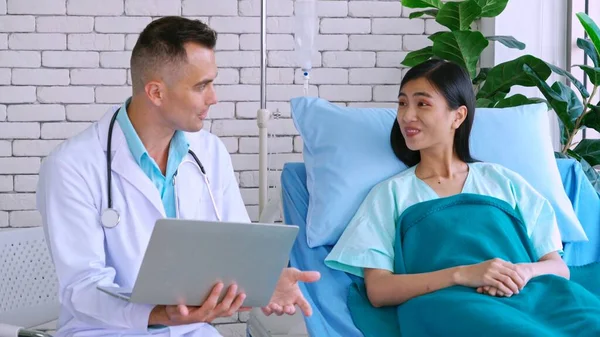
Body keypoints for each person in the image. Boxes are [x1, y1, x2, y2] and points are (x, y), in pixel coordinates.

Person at [36, 16, 320, 337]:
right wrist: (162, 314)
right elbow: (82, 289)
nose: (214, 98)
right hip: (106, 331)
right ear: (156, 92)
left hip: (191, 331)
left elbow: (238, 247)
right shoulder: (71, 166)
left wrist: (263, 282)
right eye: (201, 86)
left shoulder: (210, 152)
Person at [324, 59, 600, 336]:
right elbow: (379, 290)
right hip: (451, 305)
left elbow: (556, 268)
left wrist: (520, 274)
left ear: (458, 116)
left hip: (532, 295)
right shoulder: (391, 194)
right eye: (402, 103)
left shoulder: (504, 181)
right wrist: (463, 274)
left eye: (422, 104)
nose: (407, 116)